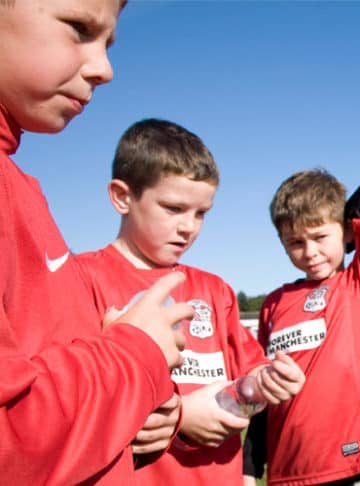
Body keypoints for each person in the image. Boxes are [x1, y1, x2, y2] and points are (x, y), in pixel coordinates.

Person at [0, 1, 196, 483]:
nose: (104, 69)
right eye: (79, 28)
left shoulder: (21, 187)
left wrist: (143, 411)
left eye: (107, 43)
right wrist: (134, 356)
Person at [75, 119, 305, 485]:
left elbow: (247, 378)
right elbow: (69, 410)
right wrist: (181, 416)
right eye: (173, 208)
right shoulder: (79, 280)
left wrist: (266, 382)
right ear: (122, 196)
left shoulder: (215, 291)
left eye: (201, 213)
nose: (189, 227)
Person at [243, 170, 360, 485]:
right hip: (288, 470)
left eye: (320, 237)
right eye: (296, 242)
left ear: (346, 232)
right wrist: (250, 464)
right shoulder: (274, 303)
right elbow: (264, 387)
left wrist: (344, 230)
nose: (310, 252)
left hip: (352, 465)